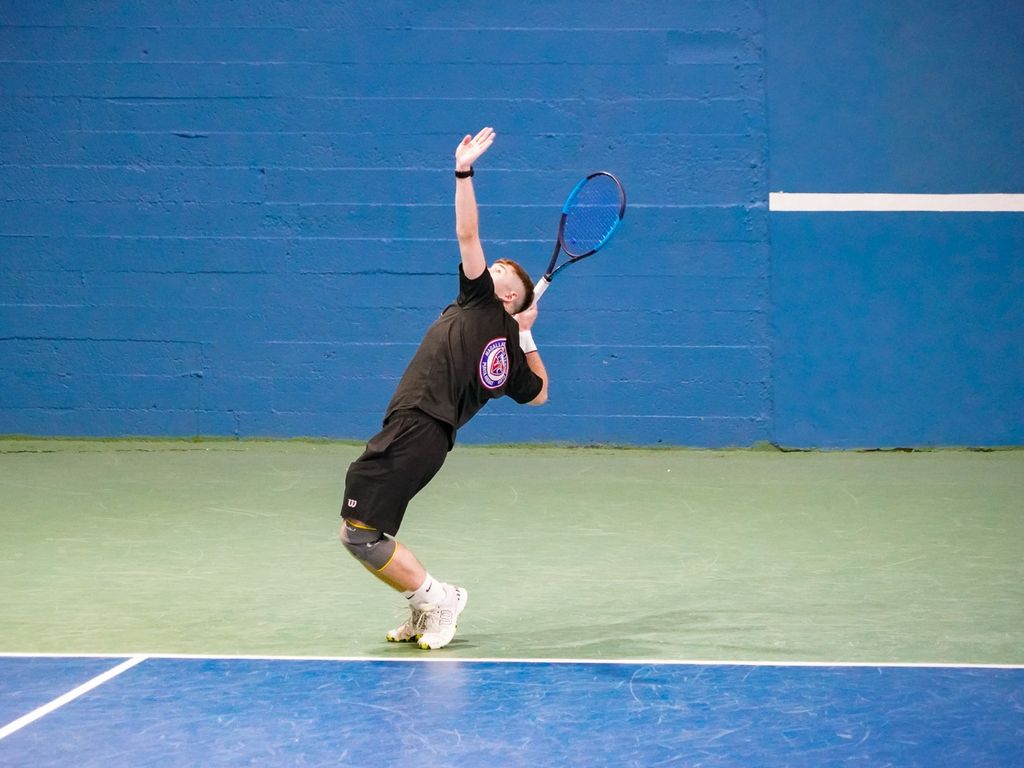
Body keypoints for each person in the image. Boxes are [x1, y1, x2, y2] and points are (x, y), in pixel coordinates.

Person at [338, 127, 549, 650]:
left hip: (420, 426)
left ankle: (439, 600)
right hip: (423, 432)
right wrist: (525, 336)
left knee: (358, 533)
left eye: (503, 273)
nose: (491, 265)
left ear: (508, 296)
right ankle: (425, 604)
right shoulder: (503, 337)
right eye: (494, 267)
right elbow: (538, 391)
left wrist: (463, 171)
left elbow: (467, 236)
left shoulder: (482, 305)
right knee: (365, 533)